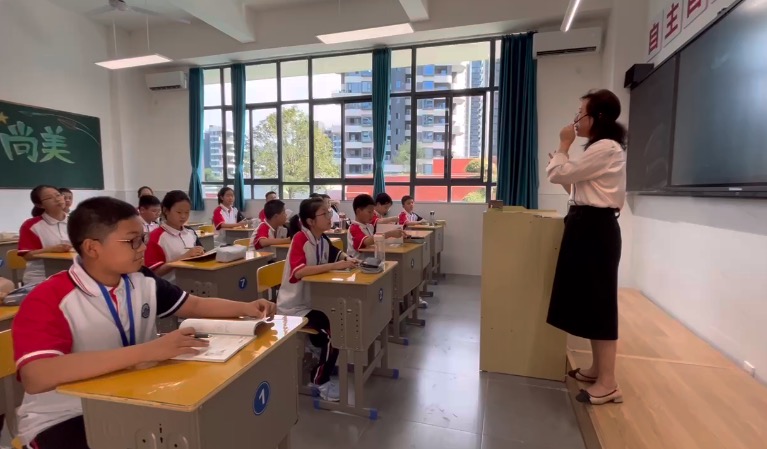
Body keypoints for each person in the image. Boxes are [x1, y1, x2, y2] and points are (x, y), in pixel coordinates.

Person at [11, 196, 275, 448]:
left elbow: (193, 304)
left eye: (143, 239)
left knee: (210, 426)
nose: (143, 247)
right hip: (68, 415)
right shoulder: (50, 298)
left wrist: (246, 307)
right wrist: (149, 351)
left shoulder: (141, 281)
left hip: (137, 399)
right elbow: (37, 375)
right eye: (133, 241)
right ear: (92, 248)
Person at [546, 89, 627, 406]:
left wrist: (563, 147)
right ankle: (598, 370)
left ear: (598, 117)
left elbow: (558, 175)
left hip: (595, 229)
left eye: (580, 113)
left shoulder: (605, 147)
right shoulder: (600, 149)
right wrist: (560, 163)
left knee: (601, 303)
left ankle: (609, 383)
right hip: (587, 226)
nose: (576, 120)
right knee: (594, 302)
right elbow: (574, 188)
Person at [276, 198, 358, 401]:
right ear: (311, 221)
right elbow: (299, 272)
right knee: (334, 333)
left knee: (338, 321)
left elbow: (335, 253)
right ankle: (320, 380)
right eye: (325, 214)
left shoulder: (321, 238)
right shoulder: (300, 239)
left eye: (329, 212)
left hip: (313, 303)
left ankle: (318, 349)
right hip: (294, 308)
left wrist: (347, 259)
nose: (330, 217)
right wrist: (335, 266)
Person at [17, 185, 73, 285]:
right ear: (40, 205)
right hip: (40, 276)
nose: (57, 199)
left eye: (58, 195)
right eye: (49, 198)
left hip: (73, 273)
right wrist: (52, 249)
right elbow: (27, 255)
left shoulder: (77, 221)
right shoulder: (31, 225)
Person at [145, 191, 205, 282]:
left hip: (193, 282)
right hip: (169, 286)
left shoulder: (190, 232)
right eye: (179, 212)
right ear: (166, 210)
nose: (183, 216)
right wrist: (182, 258)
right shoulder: (155, 237)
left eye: (187, 212)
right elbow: (153, 273)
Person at [347, 194, 405, 259]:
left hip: (370, 260)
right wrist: (389, 234)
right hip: (358, 262)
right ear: (358, 211)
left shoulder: (369, 226)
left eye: (373, 212)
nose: (372, 215)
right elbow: (367, 241)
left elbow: (376, 239)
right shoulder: (354, 227)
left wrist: (396, 233)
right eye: (369, 212)